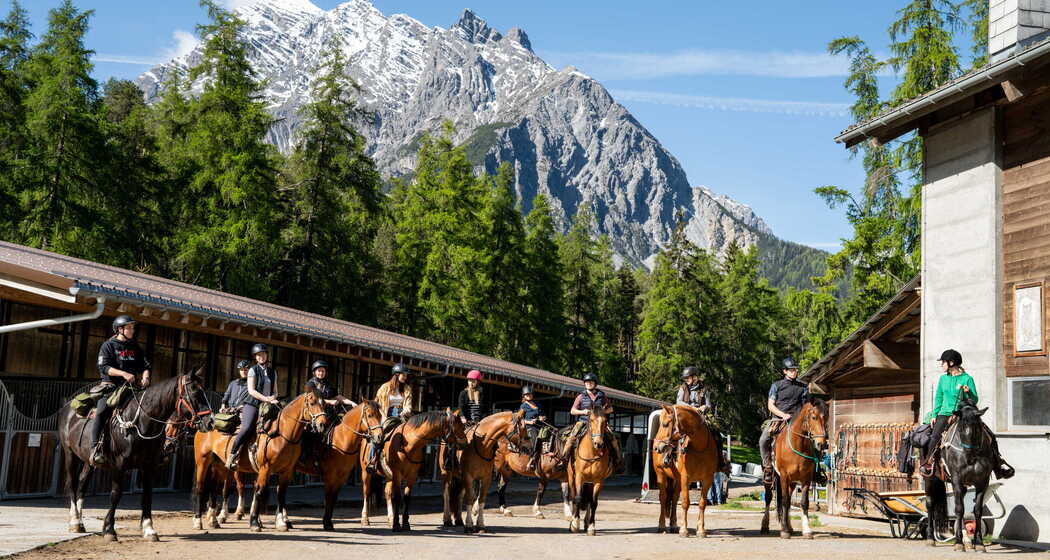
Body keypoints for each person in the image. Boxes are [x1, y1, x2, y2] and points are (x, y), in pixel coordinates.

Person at [919, 349, 1014, 479]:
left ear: (951, 363)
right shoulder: (943, 379)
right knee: (934, 436)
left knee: (989, 435)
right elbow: (939, 398)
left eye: (943, 362)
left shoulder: (967, 379)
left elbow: (975, 399)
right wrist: (935, 415)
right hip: (945, 413)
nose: (941, 365)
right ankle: (929, 462)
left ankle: (999, 466)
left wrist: (968, 392)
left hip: (963, 414)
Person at [90, 315, 152, 466]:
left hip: (132, 388)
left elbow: (145, 366)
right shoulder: (108, 346)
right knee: (102, 410)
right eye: (129, 328)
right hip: (111, 386)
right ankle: (94, 448)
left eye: (133, 328)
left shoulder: (135, 346)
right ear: (120, 329)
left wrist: (146, 377)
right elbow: (103, 367)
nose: (132, 330)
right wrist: (123, 373)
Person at [226, 343, 279, 470]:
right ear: (255, 357)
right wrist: (266, 399)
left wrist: (273, 398)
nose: (261, 357)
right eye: (258, 355)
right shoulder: (252, 370)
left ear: (267, 355)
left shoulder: (273, 372)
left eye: (263, 354)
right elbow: (251, 390)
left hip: (269, 403)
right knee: (247, 427)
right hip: (253, 403)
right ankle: (232, 455)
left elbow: (276, 390)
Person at [560, 373, 623, 473]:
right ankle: (563, 460)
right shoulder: (580, 396)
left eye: (590, 382)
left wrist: (602, 413)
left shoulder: (602, 396)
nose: (588, 384)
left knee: (613, 438)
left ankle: (618, 461)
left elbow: (610, 409)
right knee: (571, 438)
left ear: (595, 384)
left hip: (599, 423)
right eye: (586, 382)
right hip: (583, 422)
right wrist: (583, 411)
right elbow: (572, 411)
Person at [759, 357, 809, 485]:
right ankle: (768, 467)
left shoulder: (803, 387)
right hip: (778, 419)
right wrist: (782, 415)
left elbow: (805, 406)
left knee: (814, 440)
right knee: (763, 440)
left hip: (797, 421)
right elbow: (770, 405)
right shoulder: (776, 385)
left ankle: (816, 470)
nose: (794, 372)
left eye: (795, 370)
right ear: (785, 371)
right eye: (791, 370)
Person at [676, 365, 730, 473]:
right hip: (686, 414)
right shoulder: (683, 388)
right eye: (685, 378)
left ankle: (720, 462)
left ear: (695, 377)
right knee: (673, 431)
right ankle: (671, 457)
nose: (686, 380)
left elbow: (708, 404)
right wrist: (693, 408)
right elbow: (679, 402)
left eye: (688, 378)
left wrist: (704, 407)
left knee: (716, 434)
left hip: (701, 415)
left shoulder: (704, 388)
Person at [519, 386, 546, 471]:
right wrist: (529, 422)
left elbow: (543, 415)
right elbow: (520, 419)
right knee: (535, 441)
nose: (529, 396)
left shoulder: (537, 404)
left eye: (530, 394)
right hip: (529, 427)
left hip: (540, 426)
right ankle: (531, 460)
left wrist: (543, 417)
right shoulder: (523, 406)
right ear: (524, 396)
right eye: (527, 395)